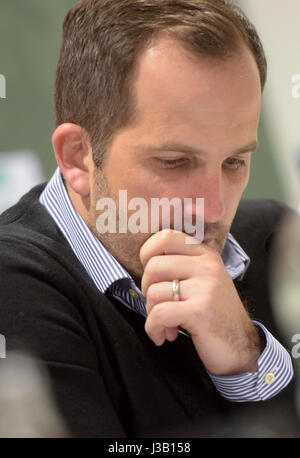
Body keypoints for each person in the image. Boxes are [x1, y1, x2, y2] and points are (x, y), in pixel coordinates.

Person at [0, 0, 299, 437]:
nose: (213, 211)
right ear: (77, 158)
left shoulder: (276, 239)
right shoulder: (14, 284)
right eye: (174, 161)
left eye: (234, 161)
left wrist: (246, 359)